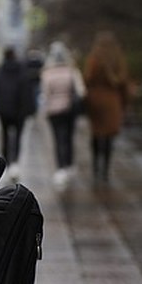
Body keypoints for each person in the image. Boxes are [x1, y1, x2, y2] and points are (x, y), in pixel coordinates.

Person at [83, 30, 130, 184]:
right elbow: (123, 83)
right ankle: (105, 169)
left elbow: (87, 79)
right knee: (109, 136)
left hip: (96, 100)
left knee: (96, 134)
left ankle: (96, 166)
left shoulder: (94, 59)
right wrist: (124, 102)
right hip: (112, 101)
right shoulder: (118, 59)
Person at [40, 41, 85, 189]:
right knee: (68, 137)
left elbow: (45, 94)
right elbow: (81, 92)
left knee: (58, 138)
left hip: (54, 111)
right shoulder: (72, 71)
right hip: (69, 110)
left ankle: (60, 169)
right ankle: (69, 165)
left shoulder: (47, 73)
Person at [0, 47, 33, 176]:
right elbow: (27, 91)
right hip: (20, 111)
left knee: (5, 136)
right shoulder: (22, 71)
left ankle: (7, 162)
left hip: (4, 109)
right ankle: (15, 162)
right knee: (18, 136)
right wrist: (29, 109)